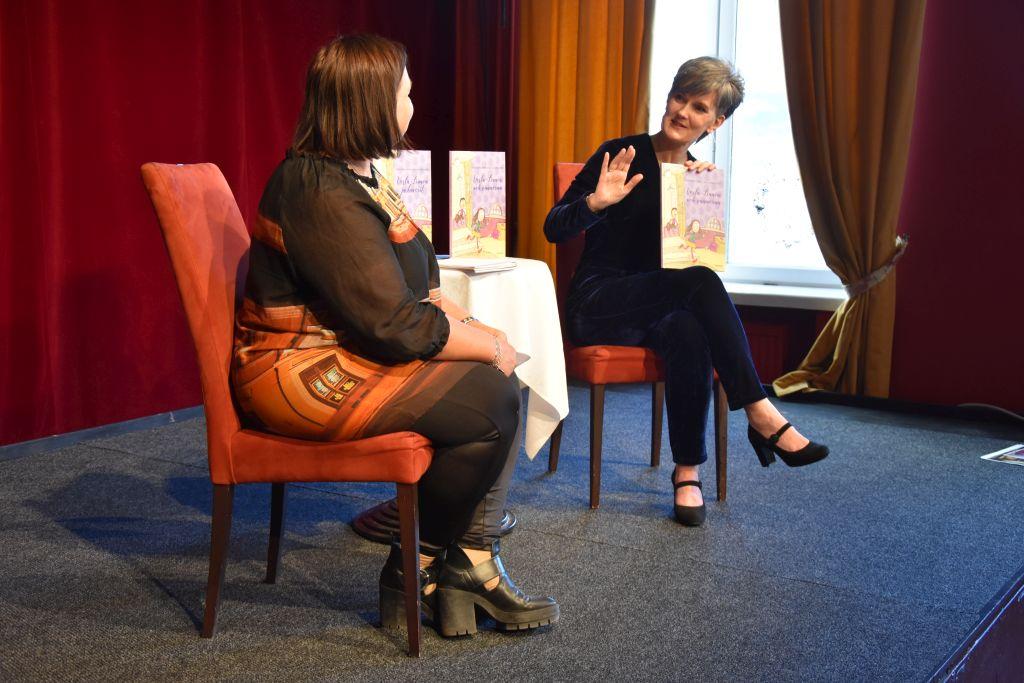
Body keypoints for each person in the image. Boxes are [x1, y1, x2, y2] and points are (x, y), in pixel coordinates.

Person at [231, 34, 558, 636]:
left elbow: (415, 285)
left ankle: (474, 563)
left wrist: (476, 329)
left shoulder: (360, 174)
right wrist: (484, 343)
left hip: (346, 347)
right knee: (490, 400)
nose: (413, 104)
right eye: (405, 93)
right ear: (369, 101)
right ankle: (417, 567)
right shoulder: (316, 189)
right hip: (296, 372)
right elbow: (394, 324)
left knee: (502, 382)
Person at [543, 57, 828, 527]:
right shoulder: (619, 153)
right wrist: (597, 201)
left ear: (714, 123)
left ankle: (687, 470)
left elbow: (690, 263)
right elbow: (554, 228)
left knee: (689, 327)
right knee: (699, 285)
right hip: (598, 303)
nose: (682, 111)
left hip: (657, 306)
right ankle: (759, 410)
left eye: (698, 107)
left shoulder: (699, 178)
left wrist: (699, 208)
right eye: (679, 97)